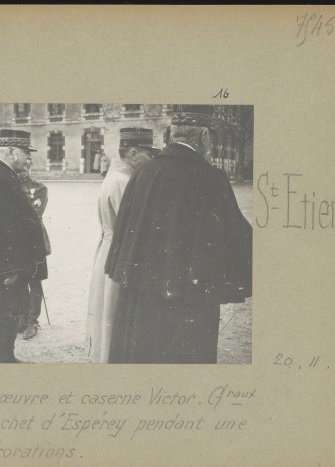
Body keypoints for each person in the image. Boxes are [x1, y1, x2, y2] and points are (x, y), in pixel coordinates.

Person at [105, 113, 252, 364]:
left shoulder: (143, 173)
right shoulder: (211, 178)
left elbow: (124, 228)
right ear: (204, 138)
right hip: (189, 299)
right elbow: (233, 237)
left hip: (142, 294)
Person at [0, 129, 47, 363]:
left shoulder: (2, 173)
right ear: (12, 152)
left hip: (6, 263)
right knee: (0, 315)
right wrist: (10, 269)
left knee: (10, 313)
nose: (28, 158)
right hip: (2, 267)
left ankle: (7, 359)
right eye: (25, 152)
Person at [86, 127, 160, 363]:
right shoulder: (123, 181)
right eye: (149, 153)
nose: (151, 159)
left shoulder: (115, 177)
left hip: (109, 248)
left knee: (108, 307)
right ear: (134, 154)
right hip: (117, 251)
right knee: (113, 309)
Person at [17, 157, 51, 340]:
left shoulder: (39, 188)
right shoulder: (8, 185)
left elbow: (34, 214)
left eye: (25, 167)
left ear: (30, 167)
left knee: (35, 280)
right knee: (19, 279)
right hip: (15, 242)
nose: (21, 171)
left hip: (34, 240)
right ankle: (22, 318)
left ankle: (32, 321)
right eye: (19, 168)